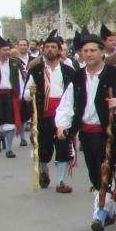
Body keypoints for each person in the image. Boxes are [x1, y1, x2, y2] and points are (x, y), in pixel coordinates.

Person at [55, 31, 116, 231]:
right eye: (85, 51)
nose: (88, 54)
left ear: (101, 52)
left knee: (105, 172)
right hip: (86, 134)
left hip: (109, 133)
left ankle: (99, 216)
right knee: (94, 174)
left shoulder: (115, 75)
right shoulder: (76, 77)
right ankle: (109, 211)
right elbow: (67, 104)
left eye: (92, 50)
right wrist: (62, 124)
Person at [23, 30, 75, 192]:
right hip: (43, 116)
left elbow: (75, 94)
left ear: (59, 50)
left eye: (54, 47)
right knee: (44, 149)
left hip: (62, 116)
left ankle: (61, 181)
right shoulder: (36, 70)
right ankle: (44, 171)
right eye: (47, 47)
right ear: (43, 50)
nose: (50, 50)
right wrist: (30, 92)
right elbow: (25, 96)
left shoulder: (68, 71)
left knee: (62, 147)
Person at [0, 35, 23, 158]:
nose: (7, 52)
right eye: (4, 49)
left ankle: (8, 149)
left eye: (8, 49)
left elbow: (20, 80)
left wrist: (21, 95)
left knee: (10, 122)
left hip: (10, 95)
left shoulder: (14, 63)